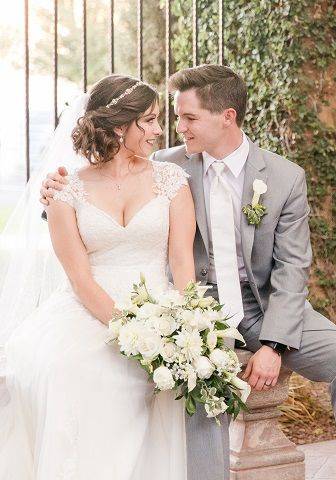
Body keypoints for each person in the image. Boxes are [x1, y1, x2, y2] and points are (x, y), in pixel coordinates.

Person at [41, 64, 336, 480]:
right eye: (174, 117)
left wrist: (274, 345)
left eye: (188, 118)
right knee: (200, 383)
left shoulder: (283, 178)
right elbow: (103, 185)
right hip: (199, 308)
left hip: (262, 307)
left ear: (227, 116)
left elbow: (292, 270)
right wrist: (49, 195)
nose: (177, 128)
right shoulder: (168, 166)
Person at [0, 74, 194, 479]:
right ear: (120, 125)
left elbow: (182, 262)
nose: (160, 130)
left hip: (158, 308)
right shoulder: (65, 191)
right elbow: (80, 279)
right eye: (150, 120)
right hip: (91, 309)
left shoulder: (171, 180)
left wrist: (186, 326)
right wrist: (130, 331)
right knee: (69, 369)